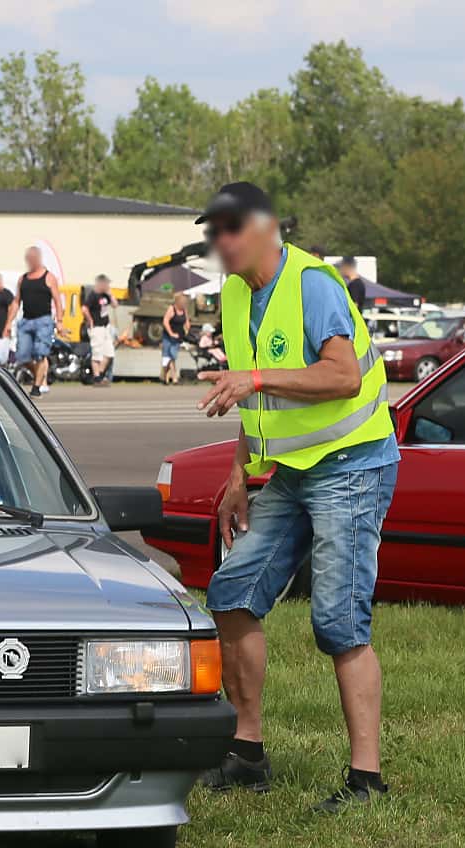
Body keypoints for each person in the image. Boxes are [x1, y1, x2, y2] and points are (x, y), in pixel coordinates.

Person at [193, 181, 399, 811]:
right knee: (230, 595)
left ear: (265, 227)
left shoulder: (312, 284)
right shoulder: (234, 294)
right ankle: (247, 752)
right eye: (213, 232)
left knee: (338, 621)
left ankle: (367, 781)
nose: (219, 244)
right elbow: (253, 397)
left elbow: (342, 376)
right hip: (291, 471)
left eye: (229, 230)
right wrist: (237, 472)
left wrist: (253, 376)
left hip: (353, 467)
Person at [15, 245, 61, 397]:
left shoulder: (48, 277)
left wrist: (59, 320)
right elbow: (16, 301)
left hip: (43, 321)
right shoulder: (23, 279)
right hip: (26, 321)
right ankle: (39, 376)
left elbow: (57, 300)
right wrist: (7, 323)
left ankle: (36, 387)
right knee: (22, 356)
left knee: (40, 354)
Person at [85, 275, 116, 384]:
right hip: (96, 327)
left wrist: (110, 294)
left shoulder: (105, 296)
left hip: (105, 327)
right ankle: (97, 377)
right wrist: (90, 320)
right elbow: (84, 308)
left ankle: (101, 374)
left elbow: (115, 305)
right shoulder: (93, 295)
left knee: (109, 353)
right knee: (97, 354)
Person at [159, 294, 189, 384]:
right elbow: (165, 321)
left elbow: (186, 320)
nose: (184, 304)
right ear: (178, 302)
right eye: (182, 302)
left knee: (172, 357)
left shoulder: (184, 310)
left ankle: (165, 376)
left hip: (178, 337)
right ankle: (174, 377)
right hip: (168, 337)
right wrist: (171, 333)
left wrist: (187, 329)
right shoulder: (171, 309)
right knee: (170, 356)